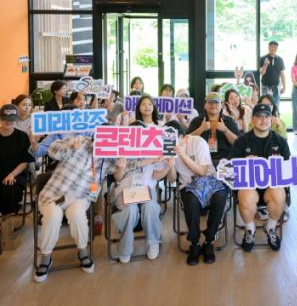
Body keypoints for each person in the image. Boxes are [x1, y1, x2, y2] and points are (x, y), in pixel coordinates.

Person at [34, 135, 116, 282]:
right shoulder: (79, 141)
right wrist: (71, 148)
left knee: (77, 214)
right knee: (53, 216)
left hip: (80, 197)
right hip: (54, 194)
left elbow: (123, 167)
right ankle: (45, 258)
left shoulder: (109, 157)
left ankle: (83, 252)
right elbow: (52, 150)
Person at [230, 104, 291, 252]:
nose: (263, 120)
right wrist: (244, 162)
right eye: (259, 116)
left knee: (279, 192)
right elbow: (230, 168)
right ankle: (249, 229)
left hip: (272, 187)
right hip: (250, 187)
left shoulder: (280, 141)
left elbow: (289, 170)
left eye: (266, 116)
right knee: (245, 194)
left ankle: (270, 227)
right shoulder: (241, 141)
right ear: (252, 119)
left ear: (271, 119)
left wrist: (279, 163)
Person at [166, 121, 228, 265]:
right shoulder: (167, 150)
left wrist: (183, 155)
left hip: (209, 181)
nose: (171, 143)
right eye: (167, 139)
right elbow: (172, 179)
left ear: (183, 137)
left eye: (174, 139)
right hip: (188, 185)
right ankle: (194, 243)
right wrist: (170, 165)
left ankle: (209, 241)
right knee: (191, 201)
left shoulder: (198, 142)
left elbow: (202, 171)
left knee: (220, 197)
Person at [111, 151, 172, 263]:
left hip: (147, 187)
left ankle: (153, 242)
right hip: (125, 188)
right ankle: (125, 247)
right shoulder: (123, 147)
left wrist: (167, 167)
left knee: (150, 206)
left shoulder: (153, 148)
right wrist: (121, 168)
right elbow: (118, 178)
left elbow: (156, 176)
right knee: (130, 209)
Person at [187, 92, 240, 167]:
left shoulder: (228, 121)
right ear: (205, 105)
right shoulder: (197, 121)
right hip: (201, 162)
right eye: (210, 102)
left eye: (216, 102)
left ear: (221, 105)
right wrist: (201, 129)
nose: (213, 105)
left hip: (225, 162)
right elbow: (185, 141)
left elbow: (238, 143)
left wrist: (226, 130)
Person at [0, 105, 34, 218]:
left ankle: (7, 219)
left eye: (11, 120)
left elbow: (25, 160)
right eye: (5, 119)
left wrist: (12, 174)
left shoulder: (22, 136)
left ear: (16, 119)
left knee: (8, 189)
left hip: (16, 174)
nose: (8, 122)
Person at [258, 41, 286, 108]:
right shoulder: (262, 58)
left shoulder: (280, 59)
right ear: (268, 47)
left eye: (275, 47)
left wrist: (284, 87)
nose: (273, 48)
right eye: (271, 46)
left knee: (276, 106)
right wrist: (265, 64)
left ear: (277, 48)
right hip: (265, 86)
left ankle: (275, 115)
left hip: (276, 87)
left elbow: (282, 74)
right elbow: (262, 73)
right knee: (265, 106)